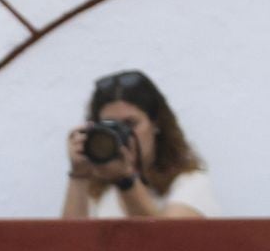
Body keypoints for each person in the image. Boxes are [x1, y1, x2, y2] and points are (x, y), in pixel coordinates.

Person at [62, 70, 217, 219]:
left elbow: (165, 239)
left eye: (130, 124)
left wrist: (126, 180)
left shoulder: (190, 183)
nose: (121, 135)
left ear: (156, 123)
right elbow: (69, 243)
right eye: (110, 126)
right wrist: (79, 175)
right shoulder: (97, 189)